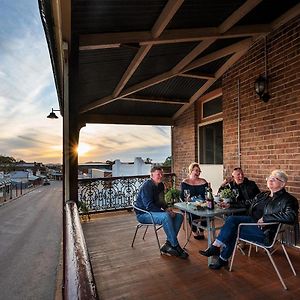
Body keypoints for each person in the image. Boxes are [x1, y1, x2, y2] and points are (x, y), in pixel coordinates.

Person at [199, 169, 299, 270]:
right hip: (252, 221)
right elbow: (248, 203)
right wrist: (230, 204)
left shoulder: (289, 200)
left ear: (282, 184)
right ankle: (217, 249)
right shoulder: (264, 195)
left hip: (265, 231)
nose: (270, 180)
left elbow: (291, 216)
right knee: (231, 219)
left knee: (232, 229)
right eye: (270, 178)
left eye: (274, 179)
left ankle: (220, 255)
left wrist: (266, 218)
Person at [135, 166, 188, 259]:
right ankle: (175, 246)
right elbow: (149, 206)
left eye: (161, 174)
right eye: (158, 174)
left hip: (153, 212)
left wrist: (167, 208)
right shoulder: (147, 186)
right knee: (166, 217)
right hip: (143, 214)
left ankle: (168, 244)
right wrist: (164, 212)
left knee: (179, 216)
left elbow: (161, 201)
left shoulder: (160, 185)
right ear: (151, 175)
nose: (160, 176)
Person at [180, 162, 208, 240]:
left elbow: (207, 194)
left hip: (202, 204)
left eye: (199, 171)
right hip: (190, 204)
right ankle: (194, 230)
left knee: (207, 212)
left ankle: (202, 230)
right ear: (191, 171)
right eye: (196, 171)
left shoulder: (203, 181)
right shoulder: (185, 182)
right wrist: (187, 200)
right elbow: (182, 196)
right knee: (192, 213)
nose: (198, 173)